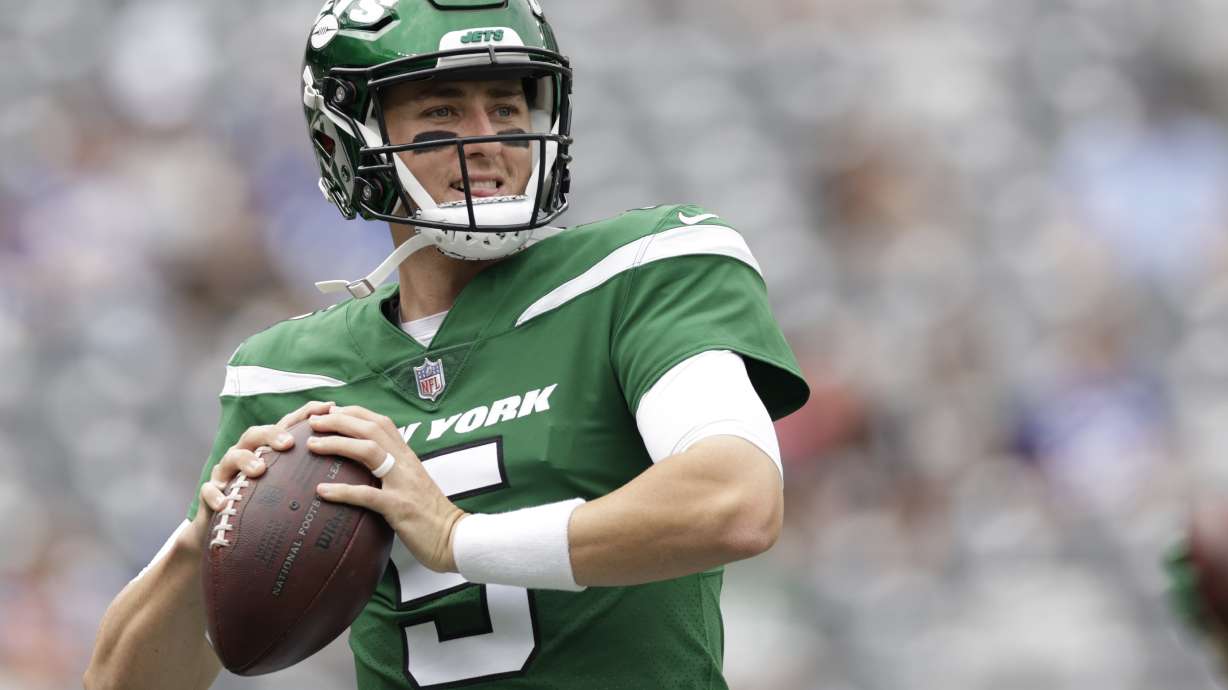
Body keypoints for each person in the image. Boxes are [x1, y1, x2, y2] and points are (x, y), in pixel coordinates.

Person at [84, 1, 809, 688]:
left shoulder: (639, 271)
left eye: (507, 105)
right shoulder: (285, 374)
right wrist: (201, 545)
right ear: (351, 138)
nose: (489, 137)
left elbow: (734, 501)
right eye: (442, 112)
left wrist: (459, 538)